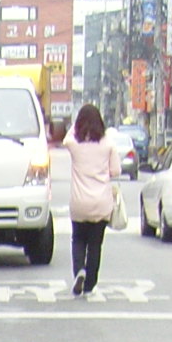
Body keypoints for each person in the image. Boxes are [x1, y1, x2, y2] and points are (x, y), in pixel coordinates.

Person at [65, 103, 120, 298]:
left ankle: (79, 270)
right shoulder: (108, 144)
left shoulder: (74, 145)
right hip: (101, 202)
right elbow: (116, 171)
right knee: (95, 244)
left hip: (79, 203)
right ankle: (89, 284)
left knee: (78, 239)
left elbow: (67, 138)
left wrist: (78, 126)